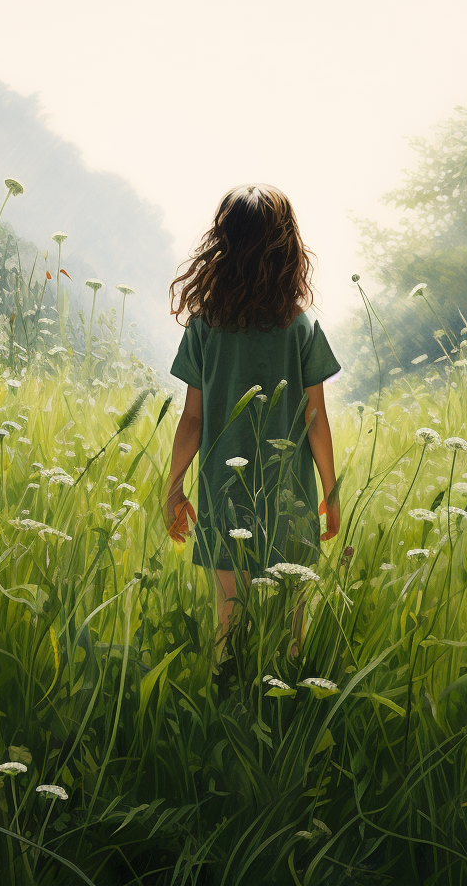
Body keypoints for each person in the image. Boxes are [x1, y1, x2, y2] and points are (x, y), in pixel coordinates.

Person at [163, 183, 342, 667]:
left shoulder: (204, 326)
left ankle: (227, 703)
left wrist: (174, 487)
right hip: (292, 495)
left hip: (224, 492)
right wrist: (332, 491)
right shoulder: (300, 327)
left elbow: (193, 419)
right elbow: (316, 418)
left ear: (224, 244)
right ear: (287, 248)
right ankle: (290, 707)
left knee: (229, 618)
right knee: (292, 625)